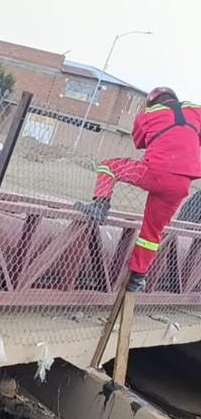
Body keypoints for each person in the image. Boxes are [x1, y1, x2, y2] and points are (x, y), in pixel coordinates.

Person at [74, 87, 201, 292]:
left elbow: (139, 142)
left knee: (109, 167)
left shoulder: (148, 115)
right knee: (152, 232)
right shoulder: (196, 111)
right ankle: (137, 277)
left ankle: (101, 204)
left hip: (153, 173)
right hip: (181, 183)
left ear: (153, 101)